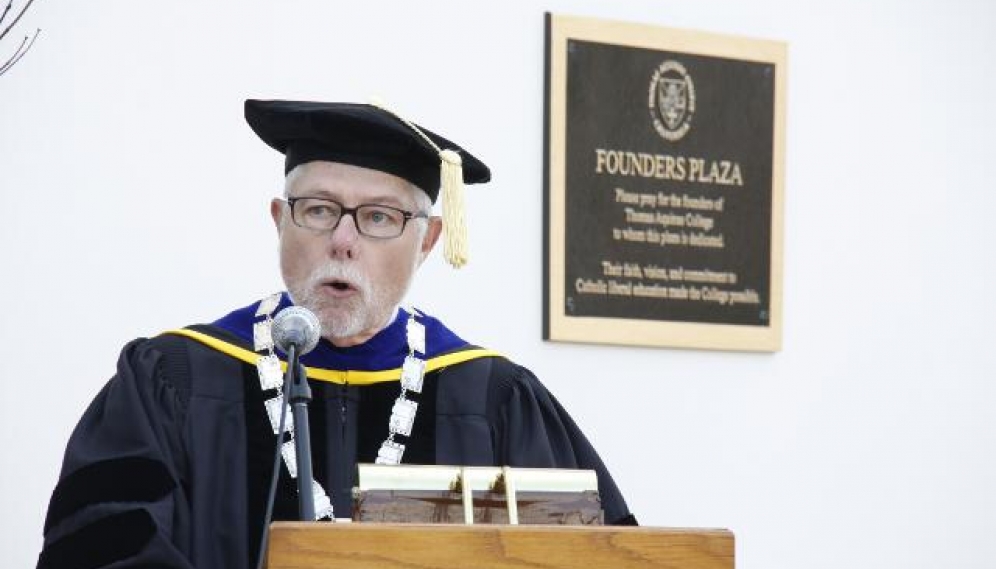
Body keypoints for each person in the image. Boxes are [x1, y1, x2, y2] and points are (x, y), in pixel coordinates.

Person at [36, 99, 635, 569]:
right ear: (280, 221)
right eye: (320, 209)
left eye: (379, 217)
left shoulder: (492, 398)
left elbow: (599, 556)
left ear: (426, 242)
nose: (343, 240)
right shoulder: (174, 381)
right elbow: (96, 549)